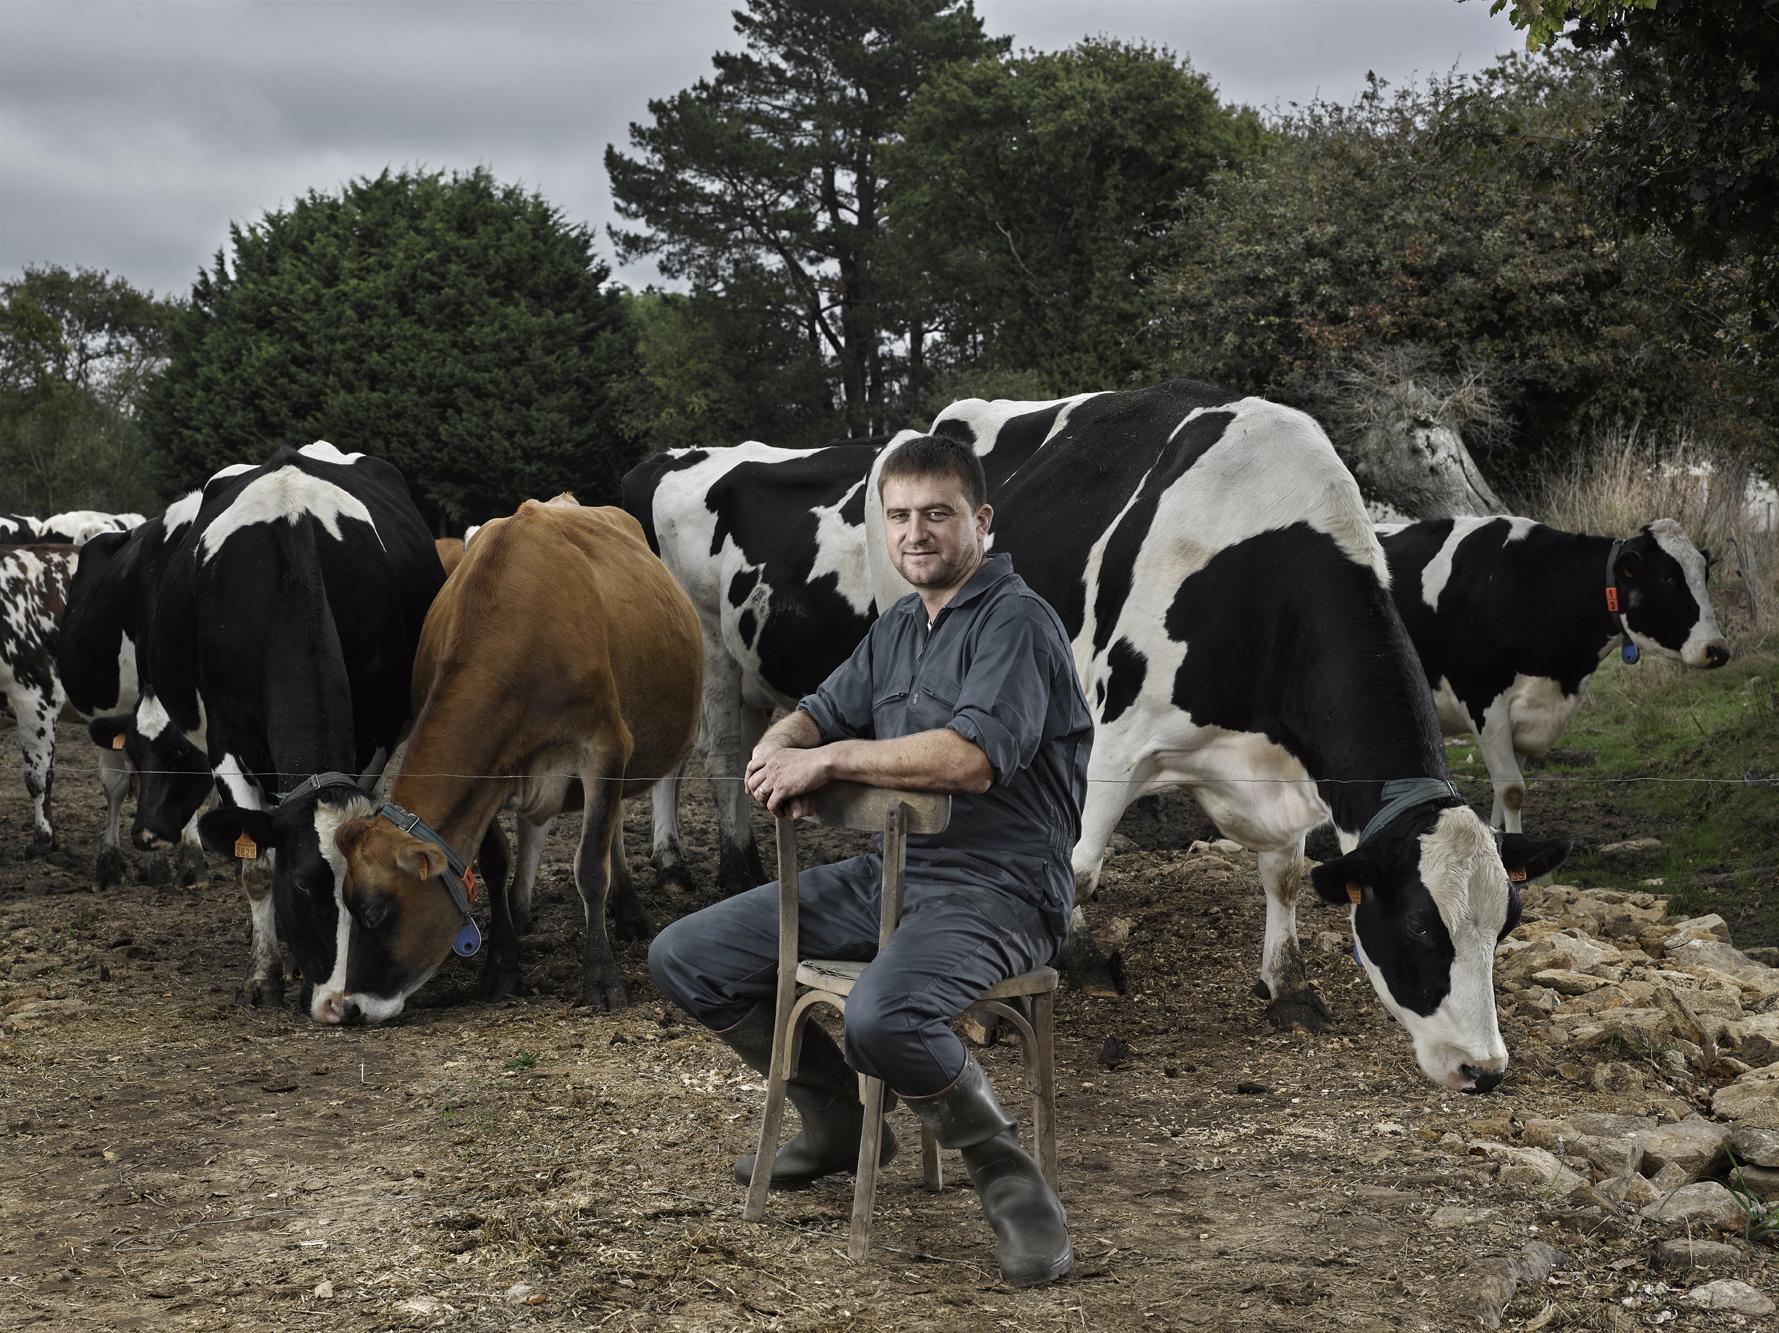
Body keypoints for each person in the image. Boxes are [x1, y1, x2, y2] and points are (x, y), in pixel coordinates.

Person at [648, 433, 1092, 1287]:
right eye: (898, 515)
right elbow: (815, 711)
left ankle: (1009, 1178)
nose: (914, 533)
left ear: (981, 520)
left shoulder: (1015, 621)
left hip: (999, 890)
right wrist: (779, 749)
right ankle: (840, 1122)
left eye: (936, 513)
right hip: (892, 876)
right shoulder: (898, 627)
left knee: (881, 1018)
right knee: (687, 955)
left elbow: (970, 758)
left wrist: (832, 762)